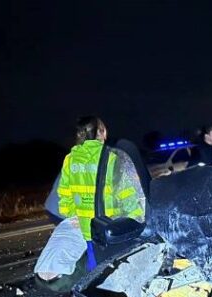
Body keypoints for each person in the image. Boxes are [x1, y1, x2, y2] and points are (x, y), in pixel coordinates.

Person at [35, 116, 144, 288]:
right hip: (108, 223)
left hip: (86, 227)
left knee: (94, 268)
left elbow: (64, 195)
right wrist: (137, 218)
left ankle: (91, 294)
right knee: (115, 264)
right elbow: (127, 193)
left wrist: (75, 215)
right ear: (102, 132)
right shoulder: (112, 157)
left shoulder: (70, 159)